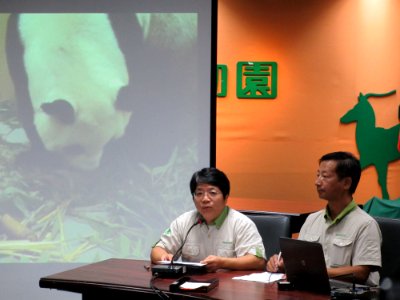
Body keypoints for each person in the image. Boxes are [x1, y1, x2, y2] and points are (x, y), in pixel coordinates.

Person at [267, 151, 382, 286]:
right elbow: (300, 261)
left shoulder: (366, 224)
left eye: (325, 176)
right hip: (312, 290)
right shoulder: (312, 219)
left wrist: (315, 272)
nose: (317, 182)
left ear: (346, 183)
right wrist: (282, 263)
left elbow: (361, 272)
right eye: (318, 175)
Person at [150, 167, 266, 272]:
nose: (205, 199)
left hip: (230, 290)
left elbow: (258, 261)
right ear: (193, 198)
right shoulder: (184, 221)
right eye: (199, 193)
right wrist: (163, 257)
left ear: (225, 197)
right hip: (190, 287)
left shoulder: (241, 223)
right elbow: (157, 250)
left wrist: (223, 263)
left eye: (212, 193)